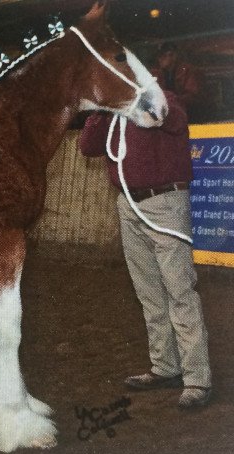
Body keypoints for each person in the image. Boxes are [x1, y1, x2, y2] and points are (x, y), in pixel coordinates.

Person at [79, 91, 212, 408]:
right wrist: (101, 110)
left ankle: (197, 379)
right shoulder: (115, 109)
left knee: (179, 290)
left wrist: (146, 99)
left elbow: (175, 120)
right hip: (128, 203)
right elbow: (88, 147)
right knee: (149, 291)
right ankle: (166, 367)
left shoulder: (163, 98)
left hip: (164, 201)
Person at [152, 42, 205, 117]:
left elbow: (193, 96)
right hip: (169, 112)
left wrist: (172, 101)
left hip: (189, 112)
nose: (160, 59)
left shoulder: (189, 70)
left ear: (174, 56)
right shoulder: (157, 73)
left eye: (164, 55)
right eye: (159, 56)